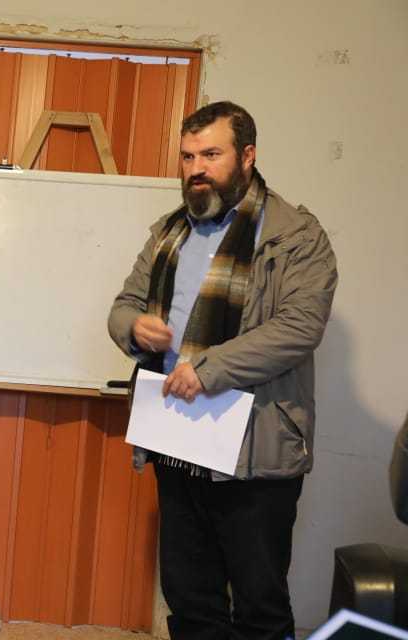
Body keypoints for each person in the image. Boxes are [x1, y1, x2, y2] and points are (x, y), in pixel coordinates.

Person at [108, 101, 337, 639]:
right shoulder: (169, 232)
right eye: (187, 156)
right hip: (175, 437)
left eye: (211, 154)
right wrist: (134, 326)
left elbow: (299, 327)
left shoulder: (296, 236)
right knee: (190, 598)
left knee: (259, 604)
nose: (196, 169)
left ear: (247, 156)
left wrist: (208, 369)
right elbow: (124, 305)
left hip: (256, 447)